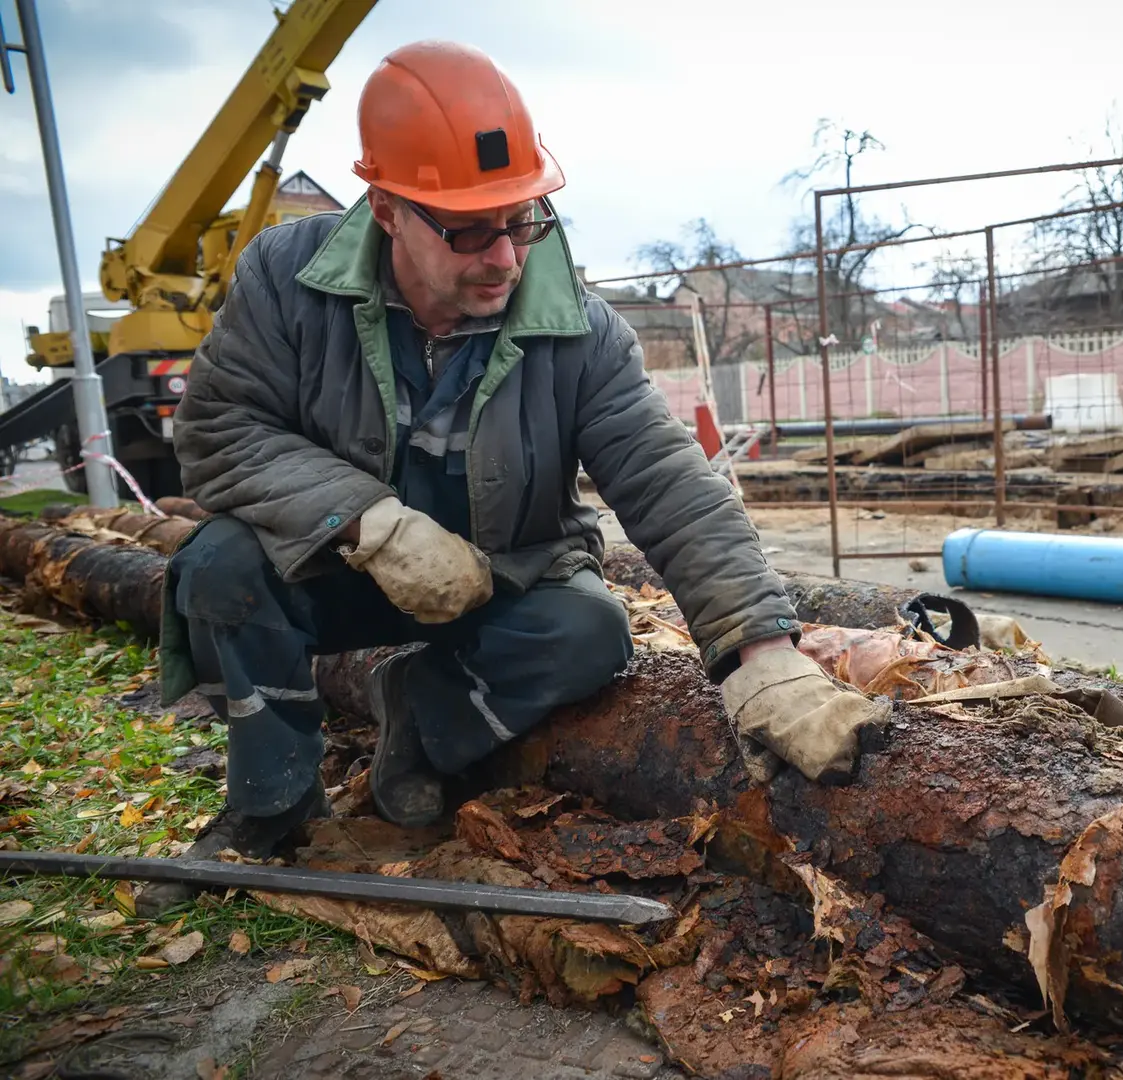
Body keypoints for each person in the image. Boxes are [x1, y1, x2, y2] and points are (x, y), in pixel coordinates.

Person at [139, 40, 887, 916]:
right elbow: (219, 431)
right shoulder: (285, 280)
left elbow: (664, 478)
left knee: (590, 631)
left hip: (498, 577)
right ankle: (271, 805)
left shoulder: (579, 329)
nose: (504, 257)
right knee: (218, 567)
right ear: (385, 208)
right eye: (467, 230)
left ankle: (416, 718)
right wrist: (367, 522)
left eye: (522, 219)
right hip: (334, 565)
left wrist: (761, 651)